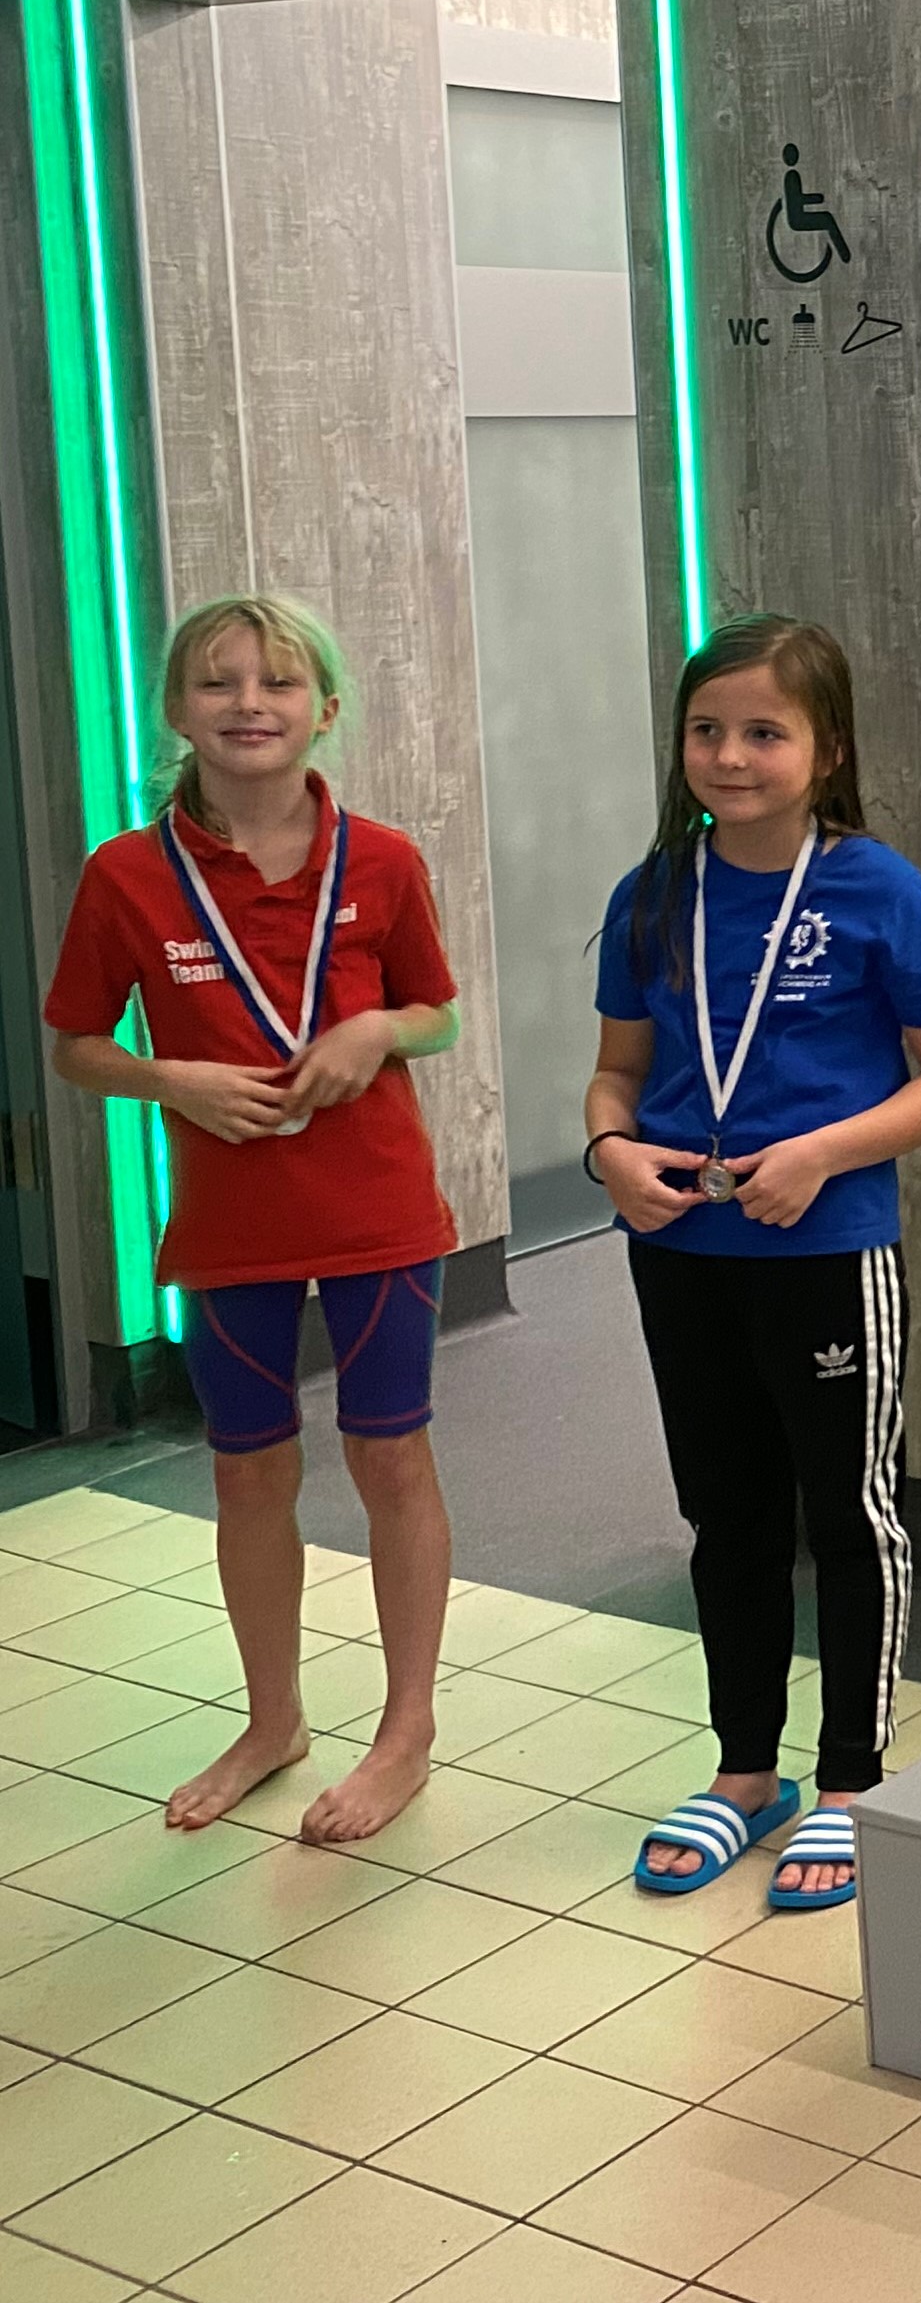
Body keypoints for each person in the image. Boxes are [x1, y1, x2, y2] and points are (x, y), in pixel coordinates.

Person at [43, 594, 463, 1842]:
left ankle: (406, 1730)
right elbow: (75, 1044)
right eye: (218, 681)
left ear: (323, 709)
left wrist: (374, 1028)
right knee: (248, 1471)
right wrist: (167, 1078)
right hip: (231, 1223)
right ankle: (272, 1719)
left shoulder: (381, 859)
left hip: (378, 1211)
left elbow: (435, 1011)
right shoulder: (127, 875)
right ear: (177, 709)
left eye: (277, 681)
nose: (248, 703)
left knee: (391, 1458)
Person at [586, 614, 921, 1906]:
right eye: (707, 730)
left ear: (829, 749)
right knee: (726, 1512)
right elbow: (618, 1071)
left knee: (849, 1512)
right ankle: (745, 1771)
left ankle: (855, 1779)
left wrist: (821, 1153)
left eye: (764, 731)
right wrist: (608, 1151)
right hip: (681, 1245)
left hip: (824, 1246)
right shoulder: (655, 892)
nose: (730, 755)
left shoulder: (881, 892)